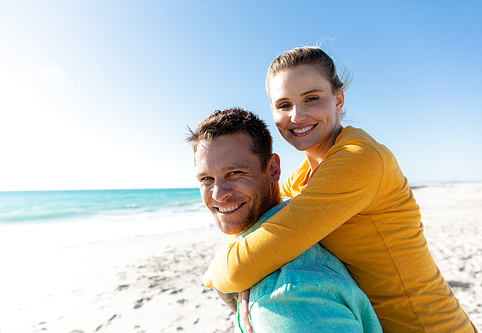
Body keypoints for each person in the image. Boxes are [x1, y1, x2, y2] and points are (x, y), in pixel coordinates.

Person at [203, 47, 478, 333]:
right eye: (283, 105)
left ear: (338, 100)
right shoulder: (301, 179)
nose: (297, 116)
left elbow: (242, 264)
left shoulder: (359, 158)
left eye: (312, 98)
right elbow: (259, 225)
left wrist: (217, 277)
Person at [188, 108, 382, 333]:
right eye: (206, 179)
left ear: (273, 169)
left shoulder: (285, 299)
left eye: (235, 173)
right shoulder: (292, 210)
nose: (218, 194)